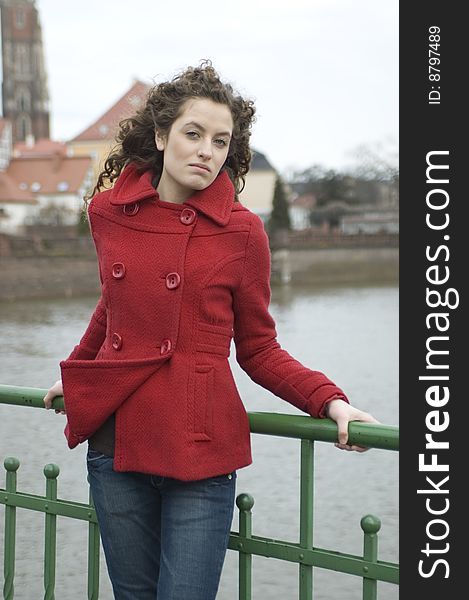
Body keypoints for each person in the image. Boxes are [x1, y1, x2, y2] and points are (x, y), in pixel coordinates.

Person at [43, 60, 378, 600]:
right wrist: (81, 372)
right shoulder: (107, 212)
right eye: (193, 134)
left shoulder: (243, 233)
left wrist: (330, 402)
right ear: (160, 135)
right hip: (117, 443)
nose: (206, 150)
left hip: (200, 449)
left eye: (220, 141)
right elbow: (114, 305)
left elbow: (260, 348)